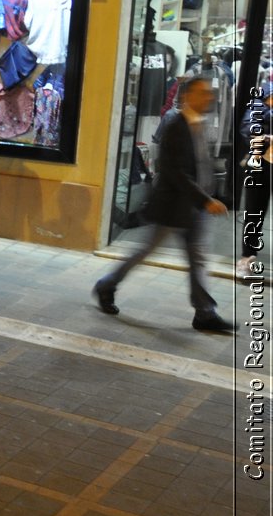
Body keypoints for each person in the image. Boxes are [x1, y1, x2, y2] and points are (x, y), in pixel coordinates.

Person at [94, 76, 233, 333]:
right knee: (146, 252)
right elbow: (175, 171)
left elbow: (200, 165)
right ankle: (106, 285)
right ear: (188, 96)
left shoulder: (198, 124)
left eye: (209, 94)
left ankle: (205, 313)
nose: (209, 98)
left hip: (193, 207)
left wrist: (211, 196)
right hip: (173, 207)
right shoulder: (175, 125)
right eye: (203, 93)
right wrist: (205, 200)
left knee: (198, 259)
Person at [239, 91, 269, 281]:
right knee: (253, 212)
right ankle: (246, 259)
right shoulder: (259, 103)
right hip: (260, 163)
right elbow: (247, 129)